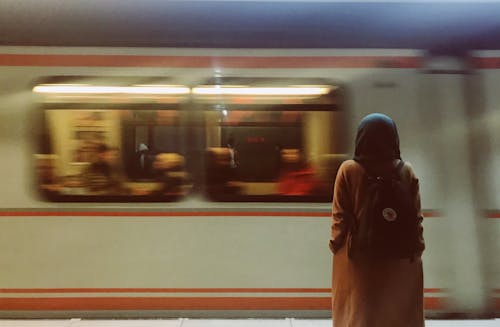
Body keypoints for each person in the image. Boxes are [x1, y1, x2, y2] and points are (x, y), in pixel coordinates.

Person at [330, 113, 425, 327]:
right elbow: (416, 218)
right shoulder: (406, 171)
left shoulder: (349, 170)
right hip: (401, 259)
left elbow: (339, 219)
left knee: (359, 316)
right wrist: (416, 250)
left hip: (359, 260)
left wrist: (336, 246)